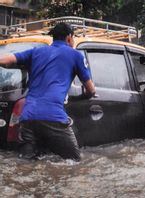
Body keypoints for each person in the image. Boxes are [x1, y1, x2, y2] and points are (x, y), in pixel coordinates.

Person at [0, 22, 96, 161]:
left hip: (28, 117)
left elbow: (8, 59)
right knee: (75, 163)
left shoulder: (36, 52)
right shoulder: (75, 55)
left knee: (25, 164)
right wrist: (87, 95)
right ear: (69, 37)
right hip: (54, 117)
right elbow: (91, 90)